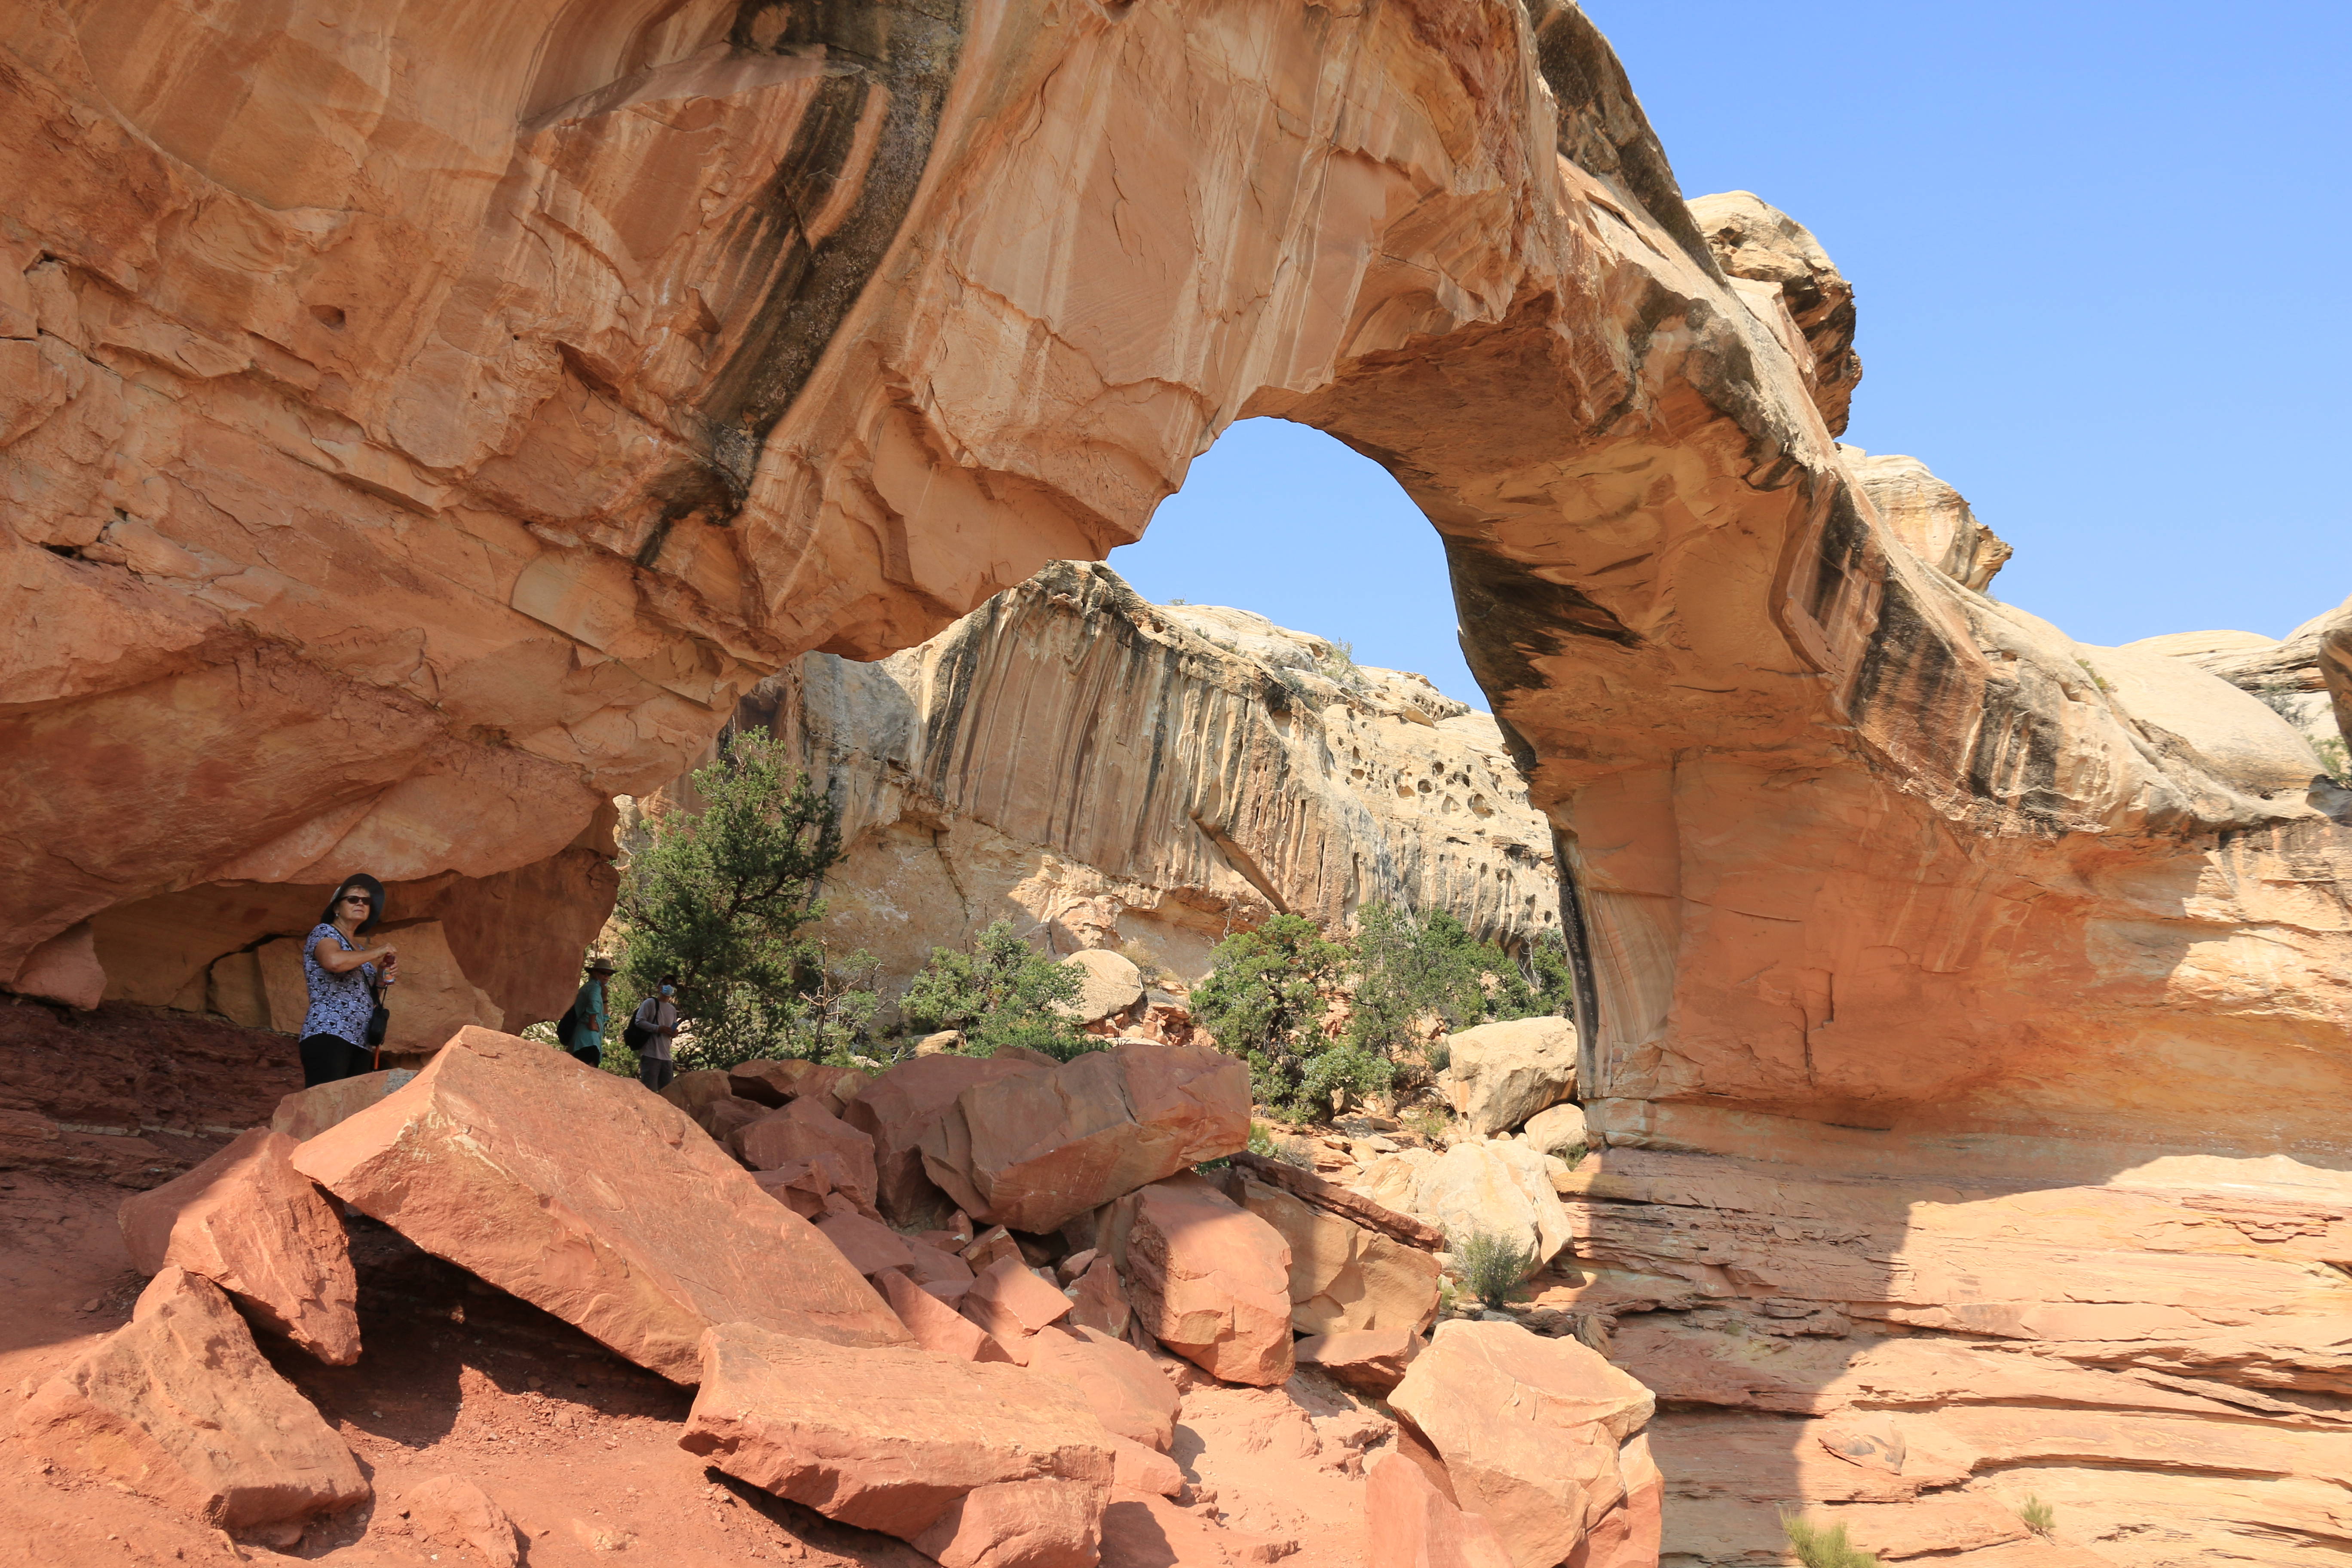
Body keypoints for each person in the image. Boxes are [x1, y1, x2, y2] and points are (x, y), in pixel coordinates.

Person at [300, 875, 399, 1087]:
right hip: (330, 1031)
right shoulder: (325, 933)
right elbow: (334, 962)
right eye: (353, 899)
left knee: (349, 1108)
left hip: (361, 1039)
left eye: (366, 901)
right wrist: (378, 952)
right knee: (326, 1100)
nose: (361, 904)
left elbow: (366, 996)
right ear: (337, 907)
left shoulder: (360, 950)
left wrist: (381, 976)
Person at [563, 956, 617, 1067]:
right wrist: (592, 1023)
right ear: (594, 973)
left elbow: (604, 1017)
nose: (606, 977)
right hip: (588, 1040)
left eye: (609, 974)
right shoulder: (594, 988)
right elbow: (593, 1004)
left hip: (587, 1040)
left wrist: (605, 997)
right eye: (603, 973)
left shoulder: (595, 988)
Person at [631, 974, 681, 1092]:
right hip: (651, 1055)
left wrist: (673, 1033)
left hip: (667, 1056)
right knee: (650, 1092)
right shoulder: (650, 1003)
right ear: (659, 987)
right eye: (666, 984)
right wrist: (658, 1029)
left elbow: (670, 1028)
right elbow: (639, 1021)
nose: (669, 987)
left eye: (672, 985)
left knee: (668, 1093)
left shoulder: (672, 1009)